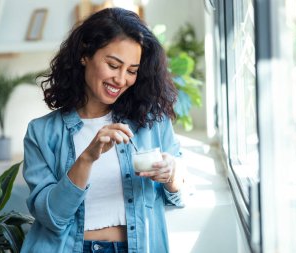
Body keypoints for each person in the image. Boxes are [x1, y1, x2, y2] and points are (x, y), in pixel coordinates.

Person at [21, 7, 185, 253]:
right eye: (113, 65)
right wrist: (87, 158)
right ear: (85, 54)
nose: (121, 79)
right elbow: (52, 218)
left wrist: (172, 174)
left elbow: (178, 193)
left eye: (131, 70)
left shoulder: (151, 122)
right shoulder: (41, 133)